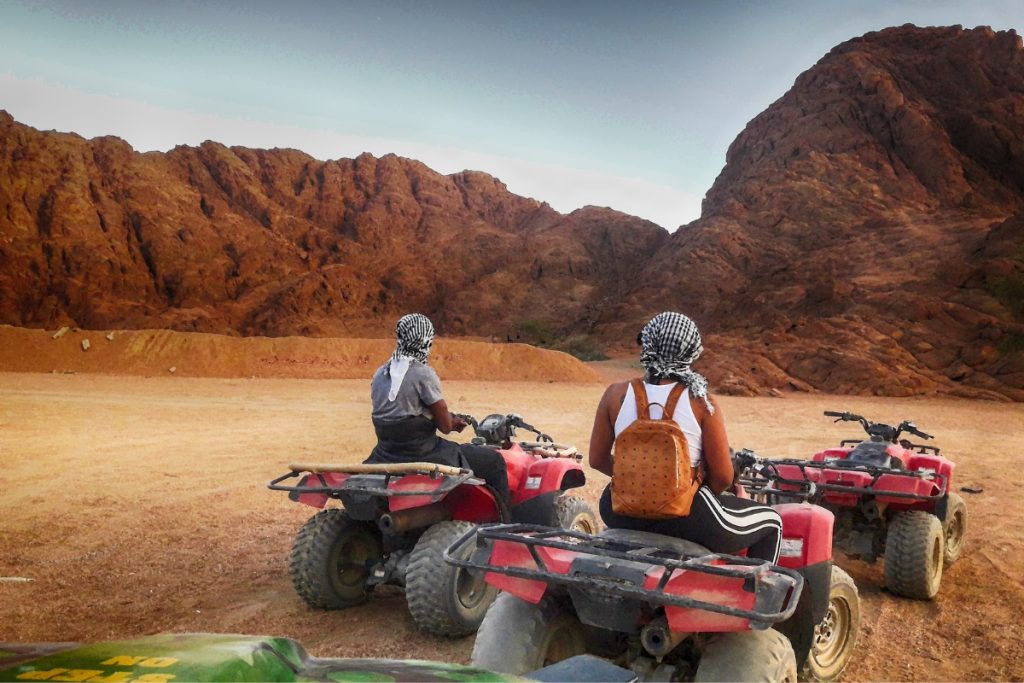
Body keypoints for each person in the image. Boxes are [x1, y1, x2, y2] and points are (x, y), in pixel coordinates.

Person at [588, 311, 782, 563]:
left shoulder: (614, 394)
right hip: (687, 517)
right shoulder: (701, 400)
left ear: (647, 343)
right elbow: (723, 476)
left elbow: (597, 460)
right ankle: (755, 597)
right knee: (773, 522)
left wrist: (640, 477)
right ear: (691, 349)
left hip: (620, 511)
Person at [364, 313, 510, 505]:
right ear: (425, 341)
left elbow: (400, 414)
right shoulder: (423, 374)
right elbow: (445, 426)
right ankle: (505, 523)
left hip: (386, 453)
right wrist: (453, 422)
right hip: (423, 453)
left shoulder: (381, 373)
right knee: (495, 462)